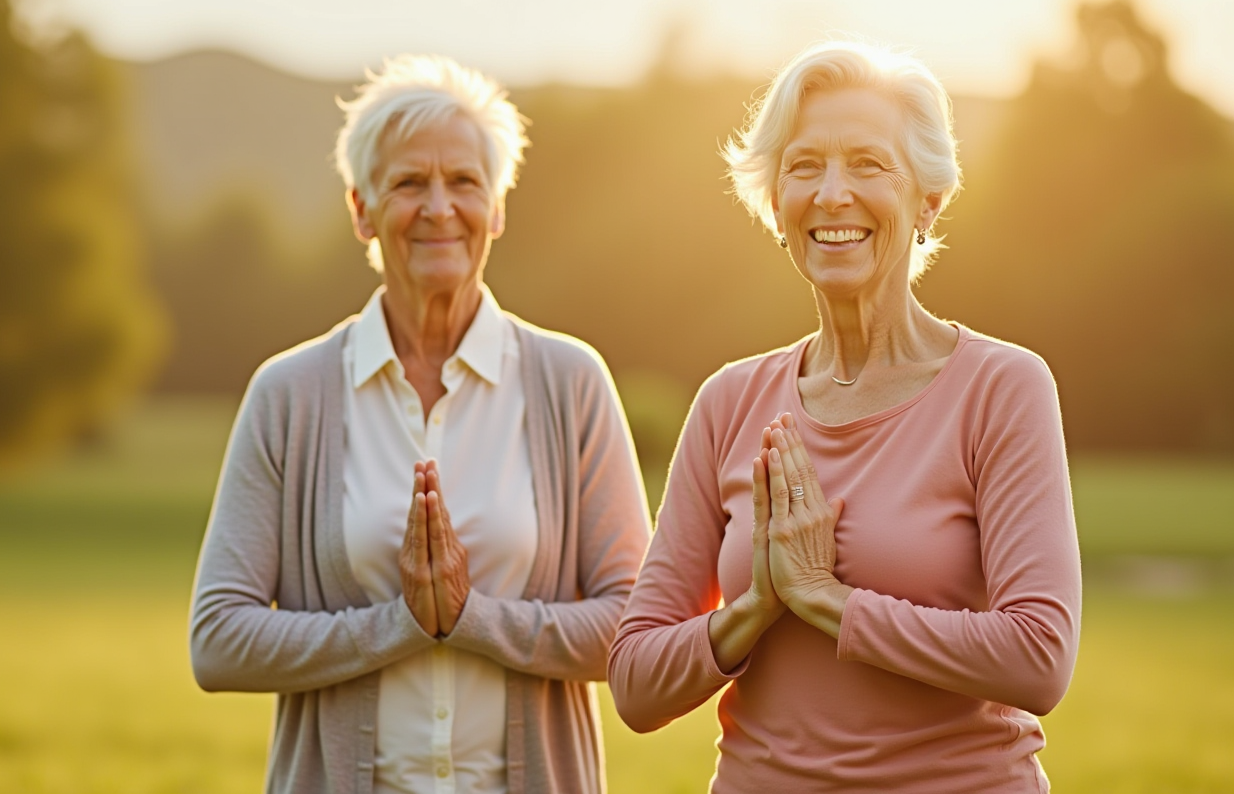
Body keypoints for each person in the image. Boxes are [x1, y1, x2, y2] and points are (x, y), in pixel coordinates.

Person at [608, 41, 1082, 793]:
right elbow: (634, 682)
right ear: (776, 202)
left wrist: (828, 600)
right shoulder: (729, 402)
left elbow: (1038, 657)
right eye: (804, 166)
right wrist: (757, 608)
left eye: (867, 164)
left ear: (928, 199)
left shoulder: (1002, 387)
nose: (832, 193)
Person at [190, 55, 651, 794]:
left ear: (498, 207)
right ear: (362, 210)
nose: (440, 207)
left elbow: (636, 630)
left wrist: (470, 617)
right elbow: (217, 641)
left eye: (465, 181)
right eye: (409, 183)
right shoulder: (290, 394)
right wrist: (402, 623)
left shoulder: (571, 384)